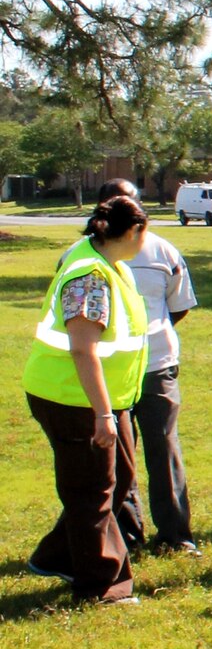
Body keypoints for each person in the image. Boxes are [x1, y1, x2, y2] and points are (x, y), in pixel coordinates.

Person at [21, 195, 152, 604]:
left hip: (103, 400)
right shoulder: (90, 276)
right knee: (92, 490)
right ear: (132, 232)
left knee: (119, 481)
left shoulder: (110, 264)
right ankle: (101, 587)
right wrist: (102, 415)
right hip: (73, 400)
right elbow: (83, 349)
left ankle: (55, 556)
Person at [108, 180, 200, 556]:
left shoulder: (163, 250)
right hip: (108, 372)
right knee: (116, 452)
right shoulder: (82, 256)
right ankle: (127, 534)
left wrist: (150, 336)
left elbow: (179, 305)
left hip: (156, 366)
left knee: (162, 446)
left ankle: (176, 534)